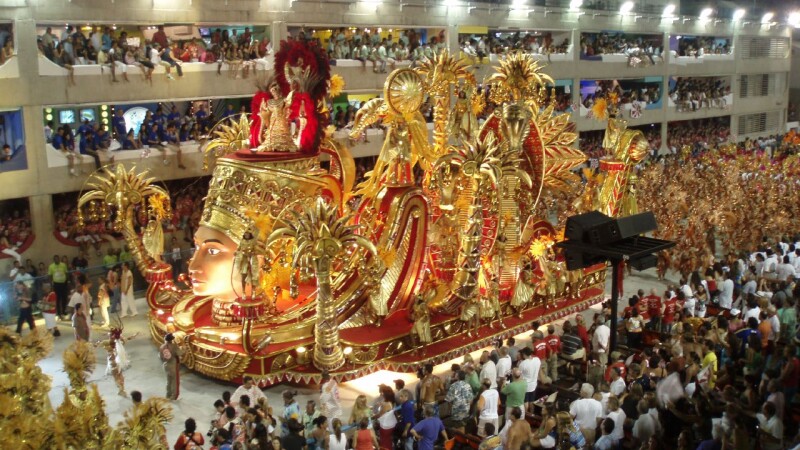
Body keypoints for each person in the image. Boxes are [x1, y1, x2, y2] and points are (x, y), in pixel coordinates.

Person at [159, 332, 183, 400]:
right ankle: (174, 396)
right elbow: (179, 353)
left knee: (169, 381)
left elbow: (160, 357)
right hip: (173, 365)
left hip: (166, 365)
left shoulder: (162, 346)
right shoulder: (174, 346)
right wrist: (184, 348)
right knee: (175, 381)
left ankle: (168, 394)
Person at [518, 347, 541, 413]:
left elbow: (519, 375)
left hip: (526, 386)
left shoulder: (523, 364)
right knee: (531, 401)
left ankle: (526, 414)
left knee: (525, 402)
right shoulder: (537, 360)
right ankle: (531, 413)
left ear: (524, 354)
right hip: (534, 384)